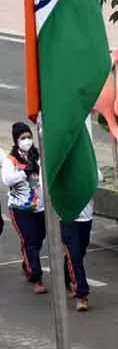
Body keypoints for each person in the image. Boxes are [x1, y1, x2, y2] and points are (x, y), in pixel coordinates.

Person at [4, 122, 46, 293]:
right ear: (16, 140)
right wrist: (24, 172)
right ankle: (36, 278)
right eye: (23, 138)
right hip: (20, 208)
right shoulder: (11, 159)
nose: (27, 140)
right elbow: (6, 180)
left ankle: (27, 262)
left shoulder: (38, 155)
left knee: (38, 240)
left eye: (29, 137)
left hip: (40, 207)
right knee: (29, 240)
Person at [60, 180, 97, 312]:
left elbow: (97, 176)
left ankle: (68, 276)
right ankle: (82, 295)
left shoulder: (85, 161)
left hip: (85, 218)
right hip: (66, 218)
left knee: (79, 253)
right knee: (74, 255)